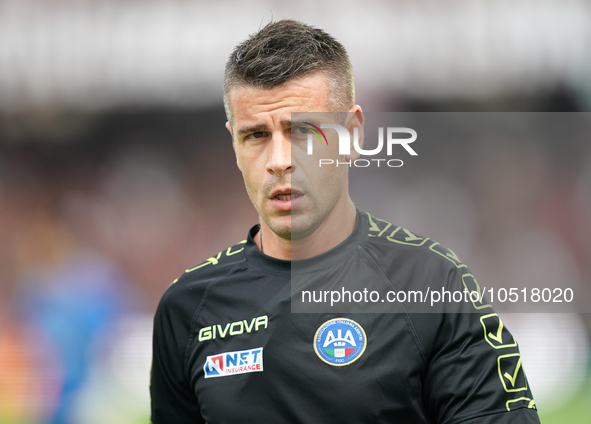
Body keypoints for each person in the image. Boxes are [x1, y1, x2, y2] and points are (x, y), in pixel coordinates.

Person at [150, 20, 540, 423]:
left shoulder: (431, 283)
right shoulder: (187, 307)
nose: (280, 161)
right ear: (234, 143)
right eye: (256, 136)